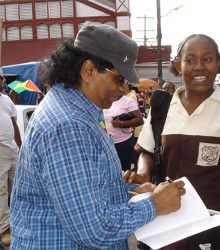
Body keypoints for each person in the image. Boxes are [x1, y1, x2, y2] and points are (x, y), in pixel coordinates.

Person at [10, 22, 185, 249]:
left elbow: (77, 194)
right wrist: (154, 205)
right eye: (119, 79)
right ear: (89, 71)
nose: (124, 89)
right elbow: (94, 229)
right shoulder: (68, 125)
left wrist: (128, 192)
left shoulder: (74, 110)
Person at [126, 33, 220, 249]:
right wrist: (143, 172)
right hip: (165, 221)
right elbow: (147, 151)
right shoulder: (162, 108)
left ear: (219, 63)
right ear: (177, 65)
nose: (199, 67)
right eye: (189, 60)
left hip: (214, 219)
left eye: (207, 59)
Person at [0, 88, 21, 246]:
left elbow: (14, 125)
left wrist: (21, 147)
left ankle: (20, 221)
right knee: (1, 191)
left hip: (13, 149)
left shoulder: (7, 99)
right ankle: (4, 229)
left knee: (19, 187)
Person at [103, 90, 144, 171]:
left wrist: (121, 123)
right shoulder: (103, 100)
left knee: (124, 170)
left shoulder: (127, 101)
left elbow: (140, 120)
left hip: (123, 143)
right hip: (106, 142)